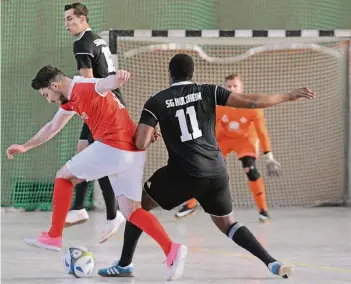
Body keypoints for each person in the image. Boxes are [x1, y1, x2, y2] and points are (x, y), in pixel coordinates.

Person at [98, 54, 316, 279]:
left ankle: (124, 265)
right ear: (192, 73)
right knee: (228, 224)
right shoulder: (209, 91)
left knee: (137, 209)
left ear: (169, 74)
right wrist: (288, 96)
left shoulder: (157, 100)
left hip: (182, 173)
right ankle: (271, 262)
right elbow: (251, 102)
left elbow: (140, 143)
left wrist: (152, 132)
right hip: (215, 172)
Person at [6, 66, 187, 281]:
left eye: (46, 95)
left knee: (64, 177)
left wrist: (118, 78)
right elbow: (52, 127)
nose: (48, 99)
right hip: (133, 154)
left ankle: (54, 236)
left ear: (55, 86)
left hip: (113, 147)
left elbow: (105, 84)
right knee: (132, 211)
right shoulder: (70, 99)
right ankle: (172, 249)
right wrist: (26, 146)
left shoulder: (85, 86)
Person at [176, 74, 281, 222]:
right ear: (225, 88)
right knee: (206, 169)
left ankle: (263, 210)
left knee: (249, 169)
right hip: (224, 139)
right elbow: (212, 128)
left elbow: (261, 131)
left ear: (241, 87)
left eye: (235, 86)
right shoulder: (219, 105)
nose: (232, 89)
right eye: (229, 86)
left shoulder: (253, 105)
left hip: (246, 140)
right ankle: (191, 204)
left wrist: (269, 156)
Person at [63, 2, 125, 243]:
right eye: (65, 19)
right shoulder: (97, 39)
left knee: (95, 158)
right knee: (83, 150)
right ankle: (80, 206)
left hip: (104, 106)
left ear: (82, 19)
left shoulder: (81, 43)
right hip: (106, 102)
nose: (66, 24)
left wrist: (73, 100)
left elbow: (89, 82)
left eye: (69, 19)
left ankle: (112, 213)